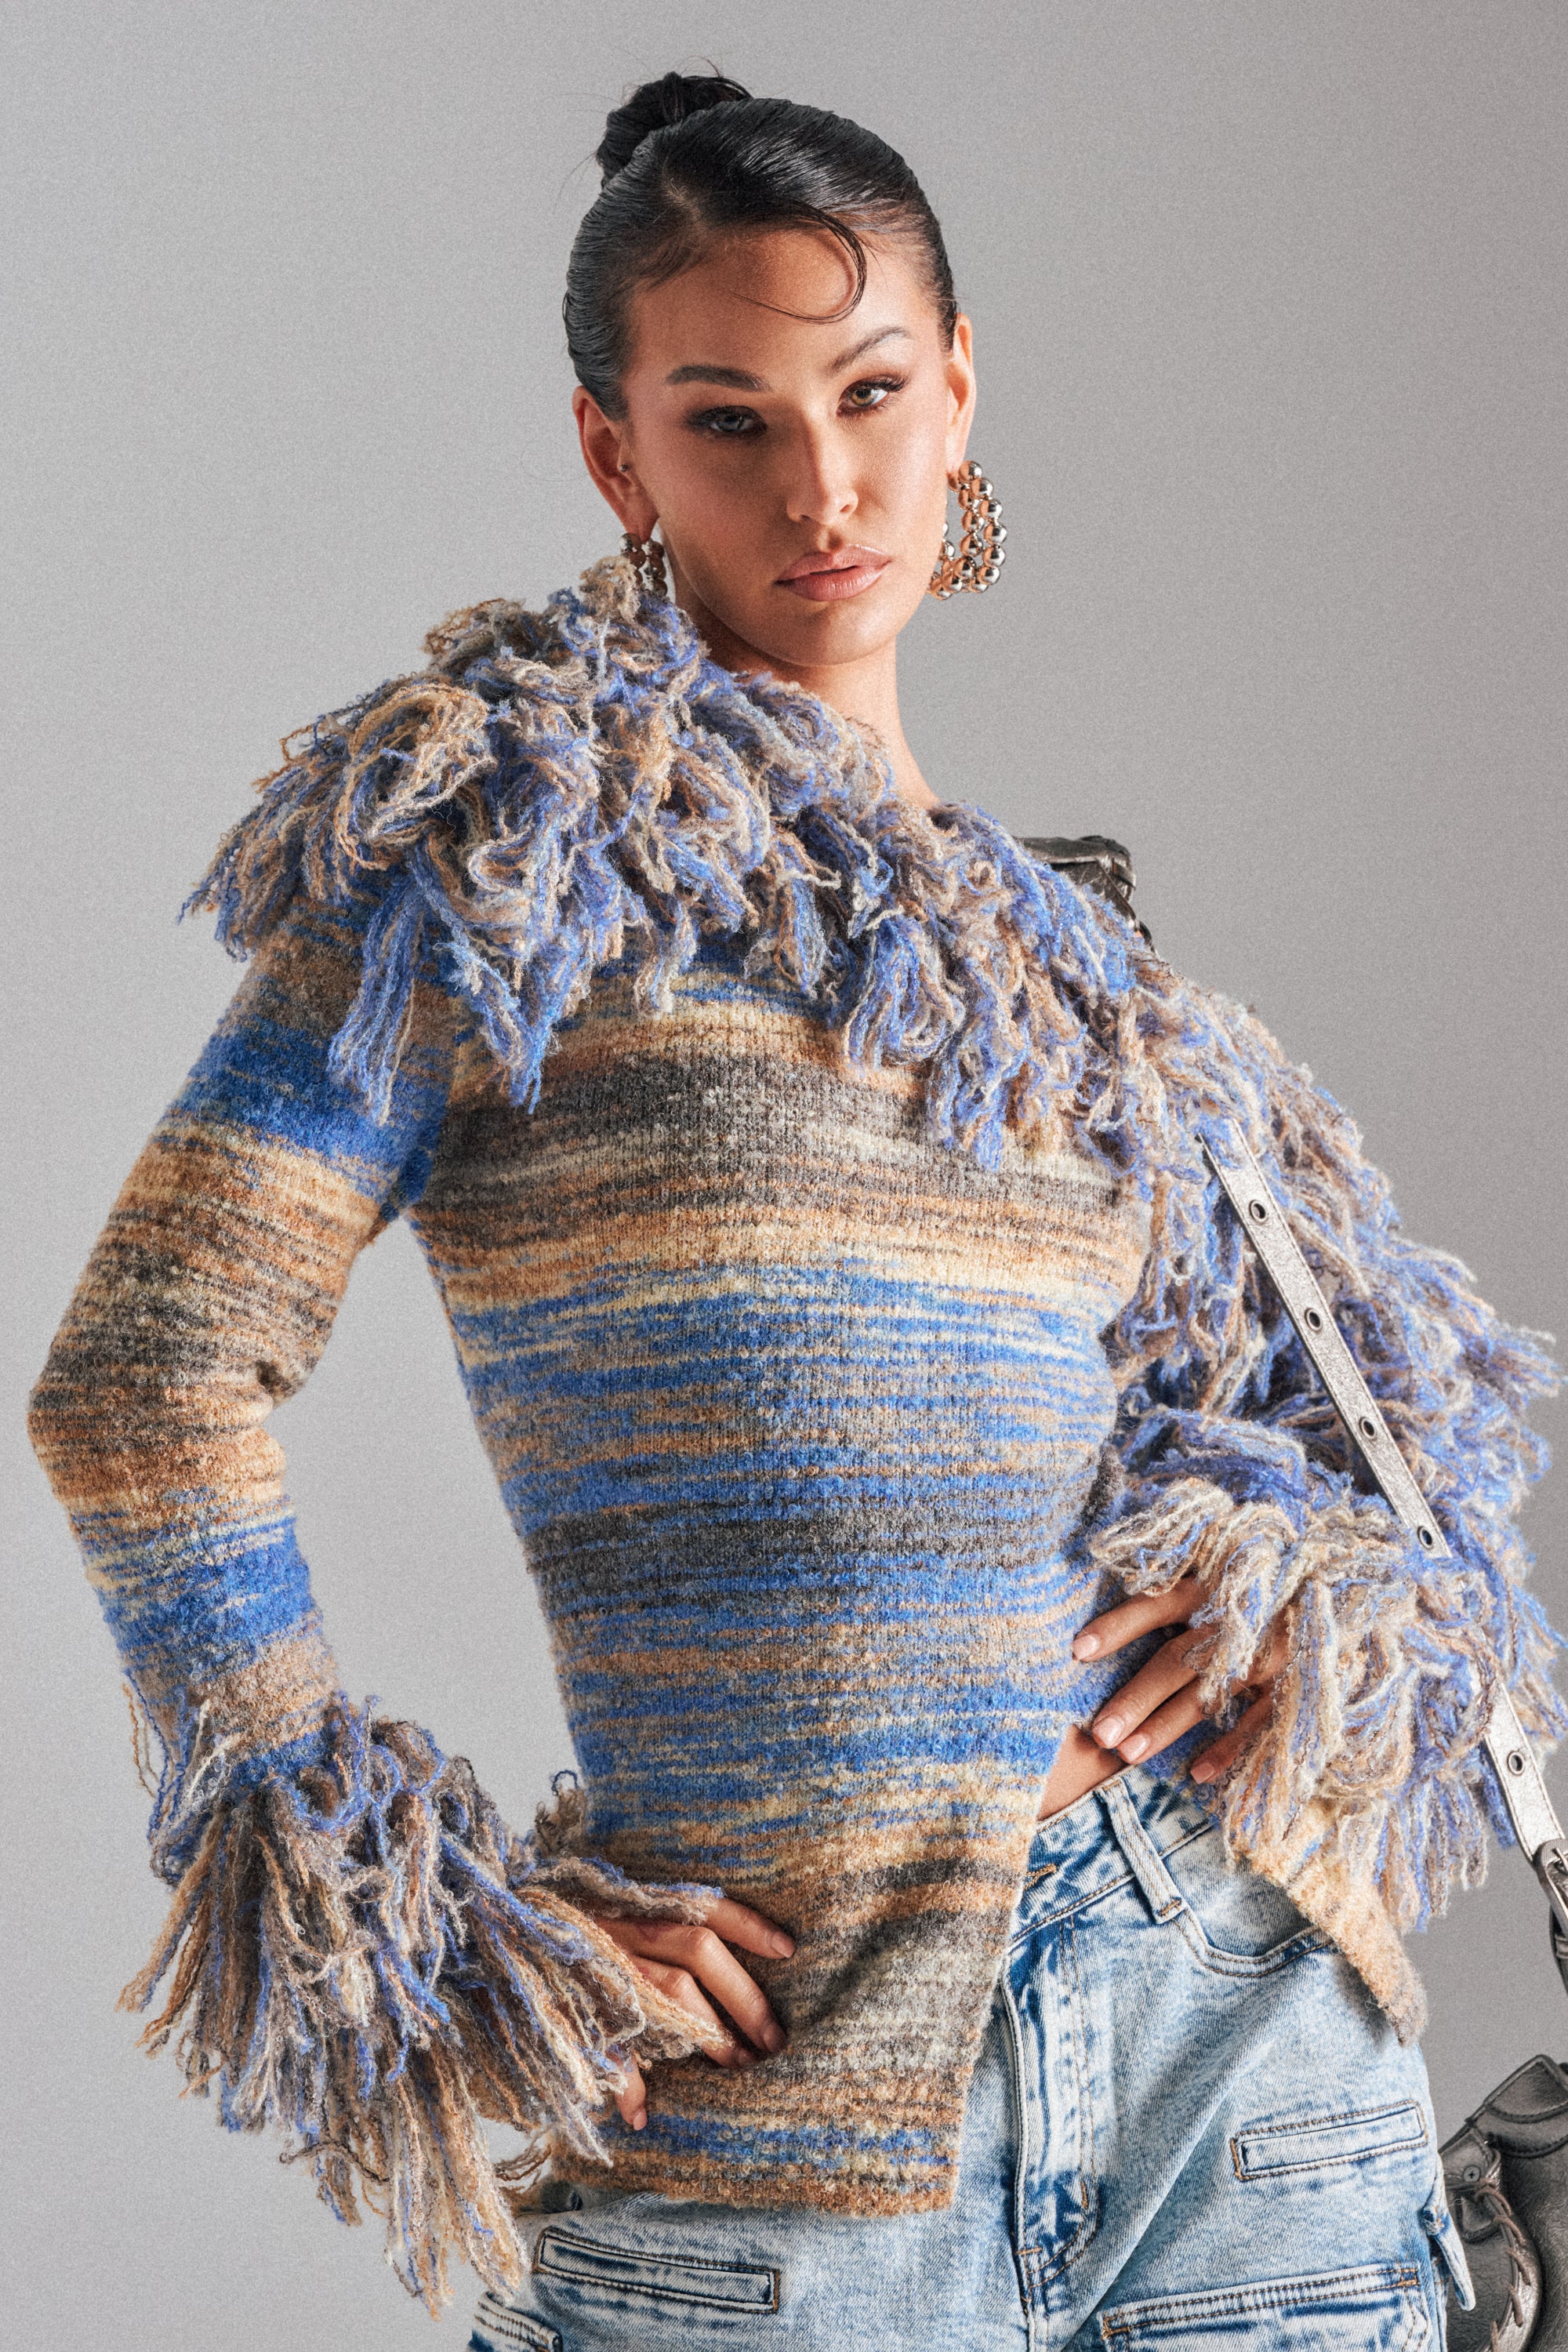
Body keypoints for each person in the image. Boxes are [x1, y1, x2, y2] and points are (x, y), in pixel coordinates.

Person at [28, 71, 1563, 2351]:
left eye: (867, 395)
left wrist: (1284, 1600)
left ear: (959, 397)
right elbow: (142, 1378)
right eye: (727, 418)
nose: (822, 486)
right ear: (611, 454)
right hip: (780, 2118)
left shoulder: (1079, 962)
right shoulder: (499, 856)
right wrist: (421, 1929)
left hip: (1249, 2054)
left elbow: (1393, 1468)